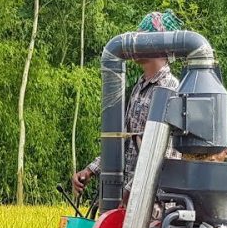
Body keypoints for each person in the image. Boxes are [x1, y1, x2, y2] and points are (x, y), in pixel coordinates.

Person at [72, 10, 183, 203]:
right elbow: (123, 139)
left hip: (151, 204)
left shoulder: (171, 88)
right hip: (130, 198)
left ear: (158, 45)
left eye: (141, 39)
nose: (135, 46)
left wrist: (131, 192)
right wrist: (91, 170)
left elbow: (165, 154)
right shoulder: (139, 87)